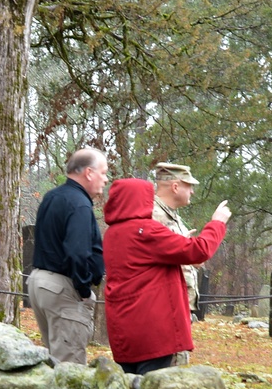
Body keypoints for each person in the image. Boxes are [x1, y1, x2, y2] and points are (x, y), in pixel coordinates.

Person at [103, 178, 230, 375]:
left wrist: (177, 244)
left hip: (124, 329)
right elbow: (199, 251)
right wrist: (217, 223)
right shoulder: (146, 231)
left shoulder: (113, 233)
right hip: (152, 331)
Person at [27, 147, 109, 364]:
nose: (106, 179)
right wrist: (83, 289)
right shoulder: (79, 203)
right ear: (89, 173)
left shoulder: (53, 196)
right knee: (69, 367)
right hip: (63, 288)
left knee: (56, 361)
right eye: (103, 172)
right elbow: (77, 251)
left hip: (40, 283)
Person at [152, 162, 201, 330]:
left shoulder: (174, 217)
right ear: (175, 186)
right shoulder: (153, 216)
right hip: (165, 308)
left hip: (179, 307)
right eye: (189, 186)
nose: (192, 192)